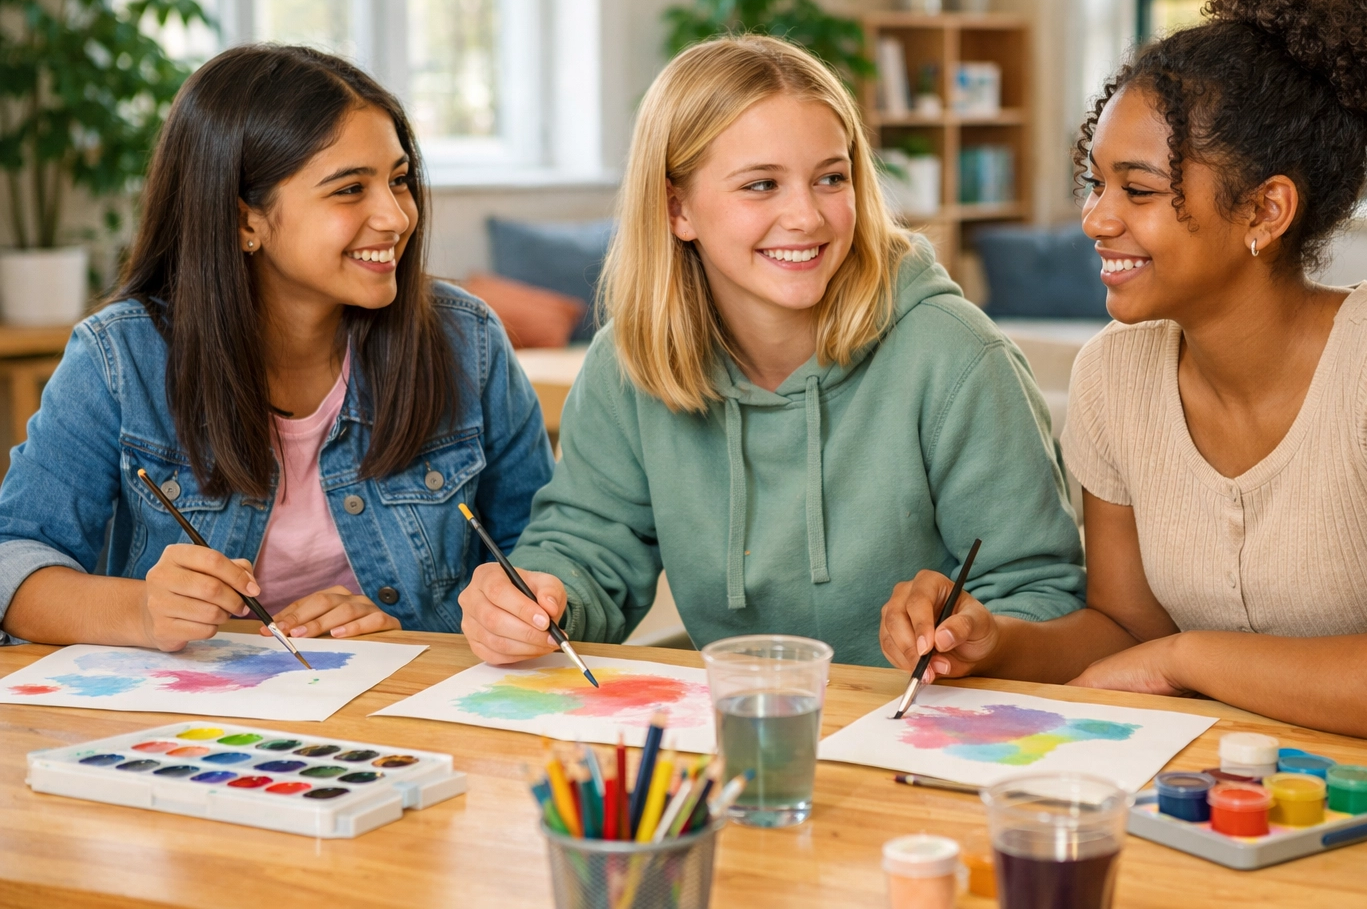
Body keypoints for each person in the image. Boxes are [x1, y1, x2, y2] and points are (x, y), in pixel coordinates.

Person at [879, 0, 1367, 750]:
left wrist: (1189, 659)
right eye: (1095, 184)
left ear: (1265, 211)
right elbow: (1126, 632)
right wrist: (995, 642)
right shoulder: (1115, 375)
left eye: (1139, 190)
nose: (1096, 218)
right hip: (1224, 797)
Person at [458, 35, 1085, 667]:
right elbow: (585, 551)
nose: (807, 217)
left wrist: (982, 636)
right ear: (678, 209)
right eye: (761, 184)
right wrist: (534, 602)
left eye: (830, 179)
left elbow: (1041, 594)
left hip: (924, 734)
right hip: (743, 725)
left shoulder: (957, 356)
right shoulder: (627, 365)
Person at [0, 45, 553, 649]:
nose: (395, 217)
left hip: (401, 716)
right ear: (244, 222)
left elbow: (542, 552)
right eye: (349, 190)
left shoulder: (464, 340)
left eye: (398, 180)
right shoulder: (120, 358)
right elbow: (14, 561)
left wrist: (423, 630)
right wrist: (140, 611)